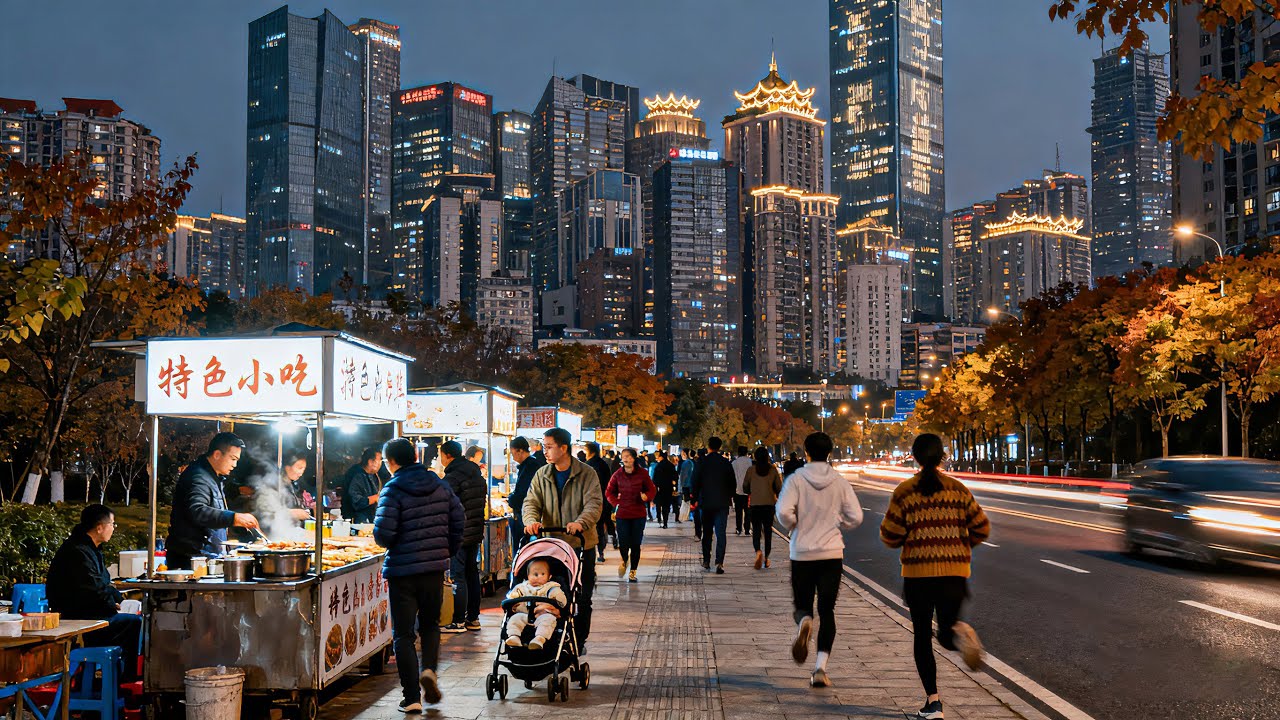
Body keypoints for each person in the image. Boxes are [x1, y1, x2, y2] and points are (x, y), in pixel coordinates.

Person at [880, 433, 990, 720]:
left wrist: (911, 536)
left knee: (922, 638)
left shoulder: (905, 491)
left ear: (914, 457)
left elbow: (889, 535)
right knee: (945, 633)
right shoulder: (958, 489)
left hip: (918, 576)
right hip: (954, 574)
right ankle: (961, 631)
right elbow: (981, 528)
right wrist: (959, 546)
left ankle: (934, 703)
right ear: (942, 456)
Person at [375, 438, 464, 713]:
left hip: (403, 571)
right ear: (415, 456)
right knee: (430, 625)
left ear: (391, 462)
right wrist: (445, 550)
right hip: (433, 569)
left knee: (403, 635)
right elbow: (459, 518)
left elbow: (383, 535)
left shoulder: (392, 488)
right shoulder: (440, 484)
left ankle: (412, 697)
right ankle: (429, 670)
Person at [776, 432, 864, 688]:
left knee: (804, 605)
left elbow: (782, 512)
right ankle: (820, 669)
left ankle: (804, 621)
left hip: (802, 552)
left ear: (806, 452)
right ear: (830, 453)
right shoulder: (839, 481)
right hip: (831, 554)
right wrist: (840, 524)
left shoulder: (796, 480)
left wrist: (795, 524)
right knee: (827, 611)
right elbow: (856, 517)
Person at [521, 428, 603, 653]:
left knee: (581, 597)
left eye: (548, 446)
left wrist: (580, 523)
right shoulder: (542, 474)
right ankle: (550, 638)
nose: (544, 451)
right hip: (551, 546)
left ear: (563, 448)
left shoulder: (587, 474)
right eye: (544, 446)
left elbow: (594, 505)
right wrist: (530, 520)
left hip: (580, 544)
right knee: (552, 594)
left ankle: (579, 640)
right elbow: (531, 502)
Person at [46, 504, 142, 680]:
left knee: (135, 618)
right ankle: (128, 679)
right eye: (112, 524)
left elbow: (103, 584)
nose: (113, 528)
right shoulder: (78, 552)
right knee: (135, 623)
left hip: (91, 612)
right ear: (99, 527)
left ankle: (123, 678)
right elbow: (92, 590)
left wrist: (117, 600)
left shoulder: (90, 549)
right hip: (79, 619)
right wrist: (113, 605)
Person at [167, 433, 258, 569]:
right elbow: (197, 510)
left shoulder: (213, 477)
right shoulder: (198, 477)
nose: (235, 465)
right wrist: (233, 517)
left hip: (205, 556)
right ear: (216, 455)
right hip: (191, 560)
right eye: (232, 459)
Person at [439, 440, 487, 633]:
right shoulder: (474, 471)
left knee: (458, 576)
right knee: (471, 573)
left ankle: (458, 621)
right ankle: (473, 618)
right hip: (475, 531)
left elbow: (442, 501)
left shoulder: (453, 476)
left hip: (459, 532)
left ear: (447, 455)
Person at [605, 448, 657, 583]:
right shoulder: (617, 475)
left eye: (628, 456)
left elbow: (651, 489)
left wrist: (647, 496)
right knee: (623, 542)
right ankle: (624, 560)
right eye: (623, 456)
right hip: (622, 514)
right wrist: (616, 503)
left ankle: (633, 571)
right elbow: (609, 492)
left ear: (634, 458)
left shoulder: (642, 474)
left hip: (638, 513)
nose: (625, 459)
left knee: (635, 544)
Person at [690, 436, 736, 574]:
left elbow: (695, 481)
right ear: (719, 447)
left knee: (707, 532)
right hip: (722, 502)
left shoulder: (701, 462)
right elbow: (732, 483)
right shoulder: (725, 462)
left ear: (708, 446)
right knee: (721, 533)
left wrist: (695, 498)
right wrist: (729, 496)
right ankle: (719, 562)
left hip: (706, 502)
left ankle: (706, 559)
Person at [503, 558, 568, 651]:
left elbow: (561, 600)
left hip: (543, 614)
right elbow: (513, 595)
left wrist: (558, 598)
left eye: (542, 574)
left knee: (549, 620)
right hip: (525, 614)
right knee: (515, 619)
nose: (538, 577)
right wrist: (514, 597)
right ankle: (514, 637)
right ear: (528, 575)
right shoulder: (522, 587)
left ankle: (540, 638)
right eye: (534, 574)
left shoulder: (551, 587)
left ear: (549, 577)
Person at [742, 446, 783, 569]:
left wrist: (752, 490)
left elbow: (745, 487)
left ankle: (758, 551)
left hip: (755, 505)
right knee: (768, 531)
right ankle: (766, 558)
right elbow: (779, 487)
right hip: (769, 505)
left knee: (756, 529)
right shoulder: (773, 470)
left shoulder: (751, 470)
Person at [507, 437, 545, 552]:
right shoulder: (529, 465)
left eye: (513, 453)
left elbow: (523, 493)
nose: (513, 457)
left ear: (520, 451)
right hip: (524, 514)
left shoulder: (530, 466)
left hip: (525, 516)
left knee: (522, 548)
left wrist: (511, 499)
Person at [584, 442, 614, 563]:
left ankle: (594, 550)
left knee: (593, 526)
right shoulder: (604, 464)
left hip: (591, 500)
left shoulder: (587, 466)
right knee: (601, 525)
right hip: (603, 499)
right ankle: (601, 551)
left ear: (590, 451)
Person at [344, 447, 385, 524]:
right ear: (370, 462)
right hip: (356, 521)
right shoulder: (357, 474)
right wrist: (375, 498)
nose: (381, 463)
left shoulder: (373, 475)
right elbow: (356, 501)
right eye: (379, 460)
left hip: (369, 519)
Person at [651, 450, 678, 528]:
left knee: (659, 504)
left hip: (659, 488)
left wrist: (655, 486)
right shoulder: (671, 465)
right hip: (668, 488)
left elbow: (655, 478)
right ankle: (665, 522)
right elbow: (675, 476)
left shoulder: (658, 466)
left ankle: (659, 518)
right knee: (666, 505)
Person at [731, 446, 753, 536]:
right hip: (748, 491)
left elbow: (732, 477)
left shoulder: (734, 463)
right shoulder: (750, 462)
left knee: (738, 511)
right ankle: (747, 529)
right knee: (748, 511)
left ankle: (739, 528)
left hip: (737, 490)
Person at [677, 449, 696, 526]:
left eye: (682, 453)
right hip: (691, 484)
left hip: (686, 485)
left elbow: (683, 476)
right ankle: (690, 515)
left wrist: (680, 486)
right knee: (690, 501)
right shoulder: (691, 462)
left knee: (686, 501)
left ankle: (686, 516)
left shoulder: (686, 463)